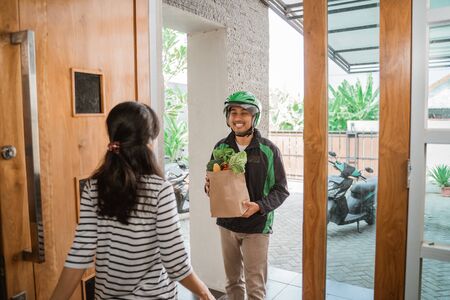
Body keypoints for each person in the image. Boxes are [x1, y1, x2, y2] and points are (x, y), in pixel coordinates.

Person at [51, 101, 214, 300]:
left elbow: (80, 252)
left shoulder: (94, 187)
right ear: (148, 141)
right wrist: (205, 293)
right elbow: (174, 261)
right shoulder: (160, 190)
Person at [205, 91, 290, 300]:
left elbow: (281, 189)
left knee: (255, 286)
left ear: (254, 117)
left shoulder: (268, 150)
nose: (237, 118)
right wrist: (209, 187)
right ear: (228, 117)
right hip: (227, 224)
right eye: (233, 112)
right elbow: (214, 182)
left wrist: (259, 206)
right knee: (232, 282)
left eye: (244, 113)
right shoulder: (221, 147)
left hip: (257, 227)